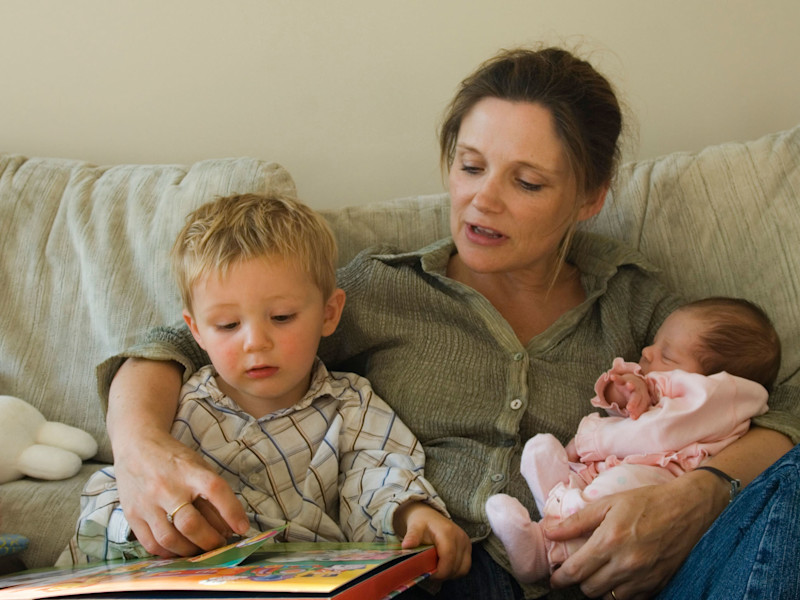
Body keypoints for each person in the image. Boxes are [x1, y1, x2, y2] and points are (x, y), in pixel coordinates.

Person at [97, 47, 799, 599]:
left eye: (525, 183)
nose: (481, 201)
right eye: (469, 166)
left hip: (620, 580)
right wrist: (137, 448)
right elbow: (183, 344)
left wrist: (697, 497)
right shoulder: (380, 289)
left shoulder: (635, 301)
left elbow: (777, 412)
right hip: (434, 576)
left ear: (589, 197)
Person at [73, 193, 470, 573]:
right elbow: (112, 497)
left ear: (329, 314)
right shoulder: (178, 408)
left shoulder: (353, 405)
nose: (255, 342)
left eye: (281, 317)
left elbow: (379, 474)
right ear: (195, 331)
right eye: (227, 325)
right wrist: (161, 524)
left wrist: (410, 514)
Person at [486, 297, 778, 584]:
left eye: (667, 355)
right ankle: (553, 497)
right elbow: (636, 412)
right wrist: (624, 392)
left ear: (719, 376)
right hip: (633, 462)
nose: (647, 352)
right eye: (654, 343)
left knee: (614, 493)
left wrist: (590, 440)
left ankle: (545, 551)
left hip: (661, 477)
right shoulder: (675, 387)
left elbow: (659, 431)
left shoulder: (717, 397)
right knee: (580, 470)